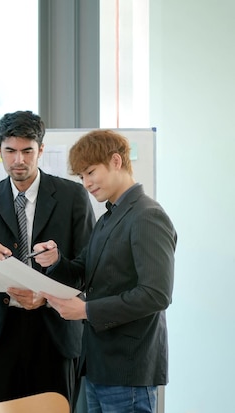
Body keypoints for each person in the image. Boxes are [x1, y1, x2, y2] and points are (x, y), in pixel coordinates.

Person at [35, 129, 177, 413]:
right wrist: (55, 261)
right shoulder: (108, 218)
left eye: (90, 172)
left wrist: (85, 311)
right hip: (98, 363)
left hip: (129, 367)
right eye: (81, 177)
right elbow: (83, 273)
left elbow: (156, 295)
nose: (86, 183)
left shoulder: (147, 215)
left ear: (115, 161)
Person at [0, 110, 95, 408]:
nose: (18, 160)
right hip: (2, 331)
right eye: (10, 151)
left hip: (55, 332)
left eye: (27, 151)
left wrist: (52, 277)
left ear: (41, 150)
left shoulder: (72, 195)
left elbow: (86, 267)